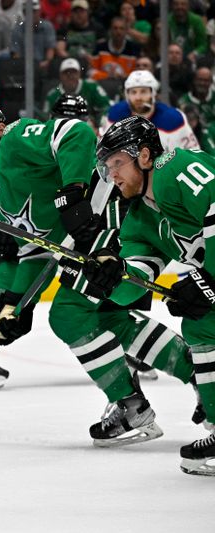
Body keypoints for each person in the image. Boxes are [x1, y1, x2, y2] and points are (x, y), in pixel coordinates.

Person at [0, 101, 197, 442]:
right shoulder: (6, 193)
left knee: (69, 313)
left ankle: (132, 405)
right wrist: (14, 306)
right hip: (95, 234)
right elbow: (34, 252)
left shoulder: (17, 136)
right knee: (108, 319)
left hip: (109, 219)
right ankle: (191, 377)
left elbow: (74, 131)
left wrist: (73, 193)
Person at [86, 115, 215, 474]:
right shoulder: (141, 215)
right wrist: (111, 276)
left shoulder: (176, 168)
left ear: (144, 156)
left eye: (117, 163)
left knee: (204, 317)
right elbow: (138, 277)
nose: (112, 174)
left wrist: (210, 280)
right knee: (201, 324)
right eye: (108, 166)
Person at [101, 70, 200, 150]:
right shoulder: (115, 115)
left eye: (143, 91)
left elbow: (192, 153)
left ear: (153, 94)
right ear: (127, 95)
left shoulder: (173, 119)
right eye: (133, 92)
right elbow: (103, 152)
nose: (138, 97)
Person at [43, 58, 111, 122]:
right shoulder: (52, 95)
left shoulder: (92, 87)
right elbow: (46, 119)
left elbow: (106, 107)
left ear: (79, 74)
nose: (70, 75)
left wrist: (97, 122)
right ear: (60, 75)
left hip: (89, 128)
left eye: (73, 72)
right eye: (66, 72)